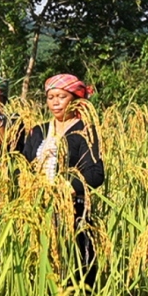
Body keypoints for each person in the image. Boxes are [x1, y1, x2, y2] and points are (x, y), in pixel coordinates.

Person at [22, 74, 105, 284]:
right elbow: (23, 165)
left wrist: (67, 186)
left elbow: (96, 173)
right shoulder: (38, 130)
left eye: (61, 96)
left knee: (73, 272)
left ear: (75, 99)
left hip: (71, 212)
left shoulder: (85, 130)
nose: (55, 102)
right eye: (51, 97)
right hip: (38, 210)